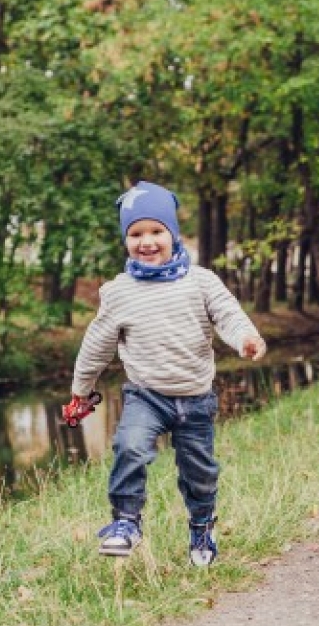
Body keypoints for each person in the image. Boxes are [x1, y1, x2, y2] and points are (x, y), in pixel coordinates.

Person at [66, 181, 267, 566]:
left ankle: (202, 527)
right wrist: (81, 390)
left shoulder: (202, 281)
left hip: (196, 397)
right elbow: (97, 345)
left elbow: (228, 313)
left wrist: (245, 337)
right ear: (125, 239)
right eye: (135, 233)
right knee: (130, 447)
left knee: (200, 472)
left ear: (172, 234)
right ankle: (126, 521)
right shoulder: (119, 291)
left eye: (156, 231)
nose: (147, 242)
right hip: (147, 396)